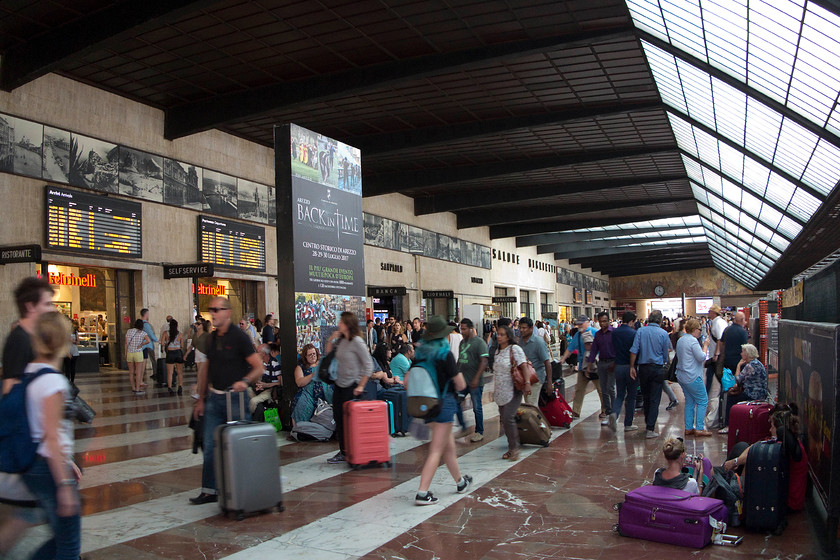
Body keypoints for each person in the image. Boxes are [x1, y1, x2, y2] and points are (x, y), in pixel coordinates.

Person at [21, 311, 83, 559]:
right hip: (48, 468)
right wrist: (64, 484)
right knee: (69, 546)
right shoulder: (54, 383)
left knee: (60, 539)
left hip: (33, 462)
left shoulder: (29, 372)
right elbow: (52, 435)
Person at [190, 297, 264, 505]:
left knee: (240, 446)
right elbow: (206, 369)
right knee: (210, 444)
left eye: (217, 309)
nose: (213, 313)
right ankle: (209, 490)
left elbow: (258, 367)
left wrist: (244, 381)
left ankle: (246, 487)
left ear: (228, 312)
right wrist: (201, 399)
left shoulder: (239, 337)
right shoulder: (212, 339)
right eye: (211, 309)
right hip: (214, 399)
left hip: (235, 400)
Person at [408, 316, 472, 505]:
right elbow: (460, 384)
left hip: (428, 405)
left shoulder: (420, 354)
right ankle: (422, 492)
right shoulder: (445, 355)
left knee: (448, 445)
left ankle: (460, 482)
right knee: (436, 449)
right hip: (445, 404)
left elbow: (406, 380)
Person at [723, 403, 808, 512]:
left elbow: (753, 454)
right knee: (742, 447)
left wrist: (735, 462)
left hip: (787, 502)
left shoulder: (783, 446)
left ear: (780, 430)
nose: (770, 430)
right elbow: (754, 447)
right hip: (783, 497)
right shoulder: (788, 444)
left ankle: (737, 493)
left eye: (772, 426)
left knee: (749, 460)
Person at [325, 312, 373, 465]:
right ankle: (344, 451)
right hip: (339, 384)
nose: (339, 324)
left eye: (341, 321)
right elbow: (328, 356)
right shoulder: (341, 341)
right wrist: (330, 340)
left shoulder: (357, 341)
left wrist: (361, 385)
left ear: (347, 324)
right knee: (338, 418)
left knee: (350, 421)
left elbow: (368, 365)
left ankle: (354, 451)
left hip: (352, 386)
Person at [2, 277, 55, 394]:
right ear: (30, 306)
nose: (52, 309)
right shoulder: (18, 340)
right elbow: (9, 387)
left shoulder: (34, 337)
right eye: (47, 304)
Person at [629, 310, 672, 439]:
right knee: (655, 398)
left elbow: (634, 350)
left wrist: (632, 366)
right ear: (660, 321)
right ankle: (650, 428)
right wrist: (664, 362)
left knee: (646, 396)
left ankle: (648, 422)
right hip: (657, 368)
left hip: (643, 368)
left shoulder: (641, 331)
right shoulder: (664, 333)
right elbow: (666, 352)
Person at [494, 324, 529, 461]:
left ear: (508, 336)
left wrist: (526, 383)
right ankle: (511, 447)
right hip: (500, 391)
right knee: (505, 420)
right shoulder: (498, 351)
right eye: (498, 334)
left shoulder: (515, 349)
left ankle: (514, 448)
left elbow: (524, 366)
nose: (499, 336)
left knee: (508, 417)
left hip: (514, 389)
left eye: (502, 334)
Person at [454, 318, 489, 443]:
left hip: (475, 382)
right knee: (456, 402)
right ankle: (464, 427)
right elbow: (460, 360)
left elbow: (484, 361)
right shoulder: (462, 342)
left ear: (470, 328)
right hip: (463, 381)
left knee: (477, 407)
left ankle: (479, 431)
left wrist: (476, 378)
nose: (462, 331)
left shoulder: (479, 343)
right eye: (460, 329)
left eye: (464, 329)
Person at [719, 343, 768, 434]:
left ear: (747, 354)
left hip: (752, 394)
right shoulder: (758, 364)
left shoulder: (750, 366)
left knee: (730, 398)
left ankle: (728, 425)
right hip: (761, 393)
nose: (741, 354)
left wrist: (738, 366)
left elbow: (737, 380)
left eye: (742, 352)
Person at [675, 318, 711, 437]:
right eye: (699, 329)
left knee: (690, 402)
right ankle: (699, 428)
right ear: (695, 329)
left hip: (681, 375)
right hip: (692, 376)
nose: (700, 332)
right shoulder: (693, 341)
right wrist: (705, 346)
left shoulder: (681, 340)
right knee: (702, 400)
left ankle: (689, 427)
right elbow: (701, 357)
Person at [559, 315, 600, 418]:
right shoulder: (577, 335)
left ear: (587, 322)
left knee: (600, 389)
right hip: (583, 366)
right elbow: (570, 348)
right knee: (579, 389)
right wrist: (563, 359)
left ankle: (604, 409)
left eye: (581, 323)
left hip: (595, 366)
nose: (579, 326)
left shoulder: (595, 332)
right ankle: (576, 411)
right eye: (578, 324)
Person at [291, 343, 334, 426]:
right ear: (305, 357)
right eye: (310, 355)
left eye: (314, 354)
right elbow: (299, 382)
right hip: (309, 394)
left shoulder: (322, 363)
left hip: (326, 392)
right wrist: (312, 374)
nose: (313, 356)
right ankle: (299, 429)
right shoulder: (301, 367)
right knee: (300, 404)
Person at [587, 312, 616, 430]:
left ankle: (615, 412)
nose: (603, 323)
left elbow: (619, 348)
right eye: (601, 321)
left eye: (605, 321)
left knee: (610, 388)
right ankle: (608, 413)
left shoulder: (614, 333)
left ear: (609, 321)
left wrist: (616, 362)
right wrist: (590, 364)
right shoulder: (598, 335)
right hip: (602, 363)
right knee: (603, 389)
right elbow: (594, 349)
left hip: (613, 362)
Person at [612, 311, 639, 432]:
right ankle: (628, 423)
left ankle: (614, 414)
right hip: (630, 367)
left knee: (620, 394)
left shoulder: (615, 332)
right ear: (631, 322)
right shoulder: (634, 333)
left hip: (618, 366)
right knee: (632, 396)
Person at [517, 317, 551, 406]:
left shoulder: (538, 342)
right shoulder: (520, 342)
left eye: (524, 328)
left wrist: (549, 382)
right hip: (524, 379)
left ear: (531, 328)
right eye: (520, 327)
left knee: (532, 406)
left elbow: (547, 362)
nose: (521, 330)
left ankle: (537, 420)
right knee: (528, 405)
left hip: (537, 378)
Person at [704, 304, 728, 429]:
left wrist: (716, 353)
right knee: (710, 375)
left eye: (709, 311)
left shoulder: (718, 323)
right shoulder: (718, 322)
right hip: (717, 355)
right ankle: (710, 394)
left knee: (717, 376)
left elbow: (719, 339)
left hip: (717, 356)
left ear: (714, 313)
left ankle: (721, 394)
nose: (708, 312)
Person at [125, 319, 151, 394]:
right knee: (138, 372)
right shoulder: (143, 333)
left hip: (130, 352)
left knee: (131, 372)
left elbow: (126, 343)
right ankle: (137, 389)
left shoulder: (129, 331)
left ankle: (133, 387)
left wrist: (125, 353)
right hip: (138, 352)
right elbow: (148, 340)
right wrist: (141, 344)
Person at [161, 319, 185, 395]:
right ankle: (180, 386)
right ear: (177, 326)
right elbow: (182, 346)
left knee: (170, 372)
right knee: (180, 372)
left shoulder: (165, 333)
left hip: (170, 353)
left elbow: (162, 343)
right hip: (178, 353)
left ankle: (170, 387)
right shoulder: (180, 334)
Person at [140, 308, 159, 386]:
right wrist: (157, 340)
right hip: (147, 345)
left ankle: (140, 379)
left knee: (142, 363)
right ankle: (141, 379)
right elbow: (150, 334)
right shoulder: (146, 324)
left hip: (142, 345)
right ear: (146, 314)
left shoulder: (140, 323)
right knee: (148, 361)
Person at [62, 316, 79, 384]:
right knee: (67, 369)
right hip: (66, 352)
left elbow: (78, 342)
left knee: (73, 368)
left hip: (74, 351)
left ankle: (72, 382)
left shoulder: (75, 331)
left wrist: (73, 341)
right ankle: (67, 382)